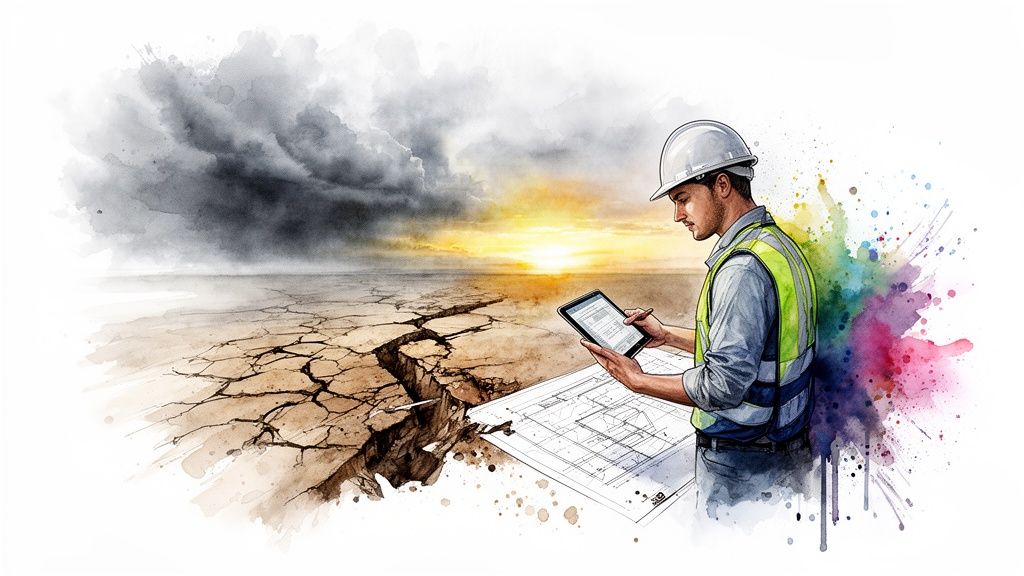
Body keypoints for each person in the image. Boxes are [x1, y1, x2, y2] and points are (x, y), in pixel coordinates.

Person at [580, 120, 817, 519]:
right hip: (787, 447)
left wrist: (638, 381)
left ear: (722, 185)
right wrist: (667, 336)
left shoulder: (741, 269)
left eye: (683, 198)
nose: (677, 215)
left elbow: (723, 385)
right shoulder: (777, 247)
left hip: (743, 461)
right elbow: (757, 345)